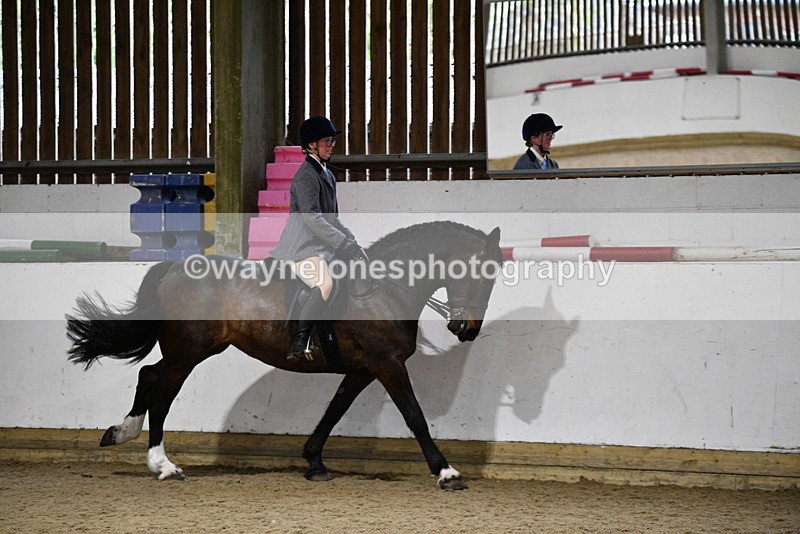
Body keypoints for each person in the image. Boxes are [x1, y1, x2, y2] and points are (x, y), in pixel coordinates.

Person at [270, 116, 368, 361]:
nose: (331, 146)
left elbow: (332, 219)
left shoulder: (328, 175)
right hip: (301, 247)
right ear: (312, 145)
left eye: (332, 141)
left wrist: (352, 242)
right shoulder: (306, 176)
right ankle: (300, 341)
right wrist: (341, 243)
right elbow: (312, 218)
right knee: (325, 284)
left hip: (320, 246)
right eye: (327, 141)